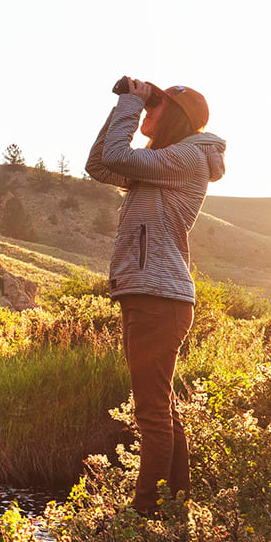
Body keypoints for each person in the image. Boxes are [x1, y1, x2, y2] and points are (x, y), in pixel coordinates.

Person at [85, 80, 227, 514]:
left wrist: (131, 99)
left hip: (158, 296)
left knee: (150, 413)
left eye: (156, 104)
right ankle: (175, 506)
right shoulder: (161, 163)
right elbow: (98, 164)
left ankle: (145, 514)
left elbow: (116, 156)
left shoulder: (185, 156)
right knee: (160, 407)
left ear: (176, 115)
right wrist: (125, 106)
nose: (148, 109)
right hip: (151, 294)